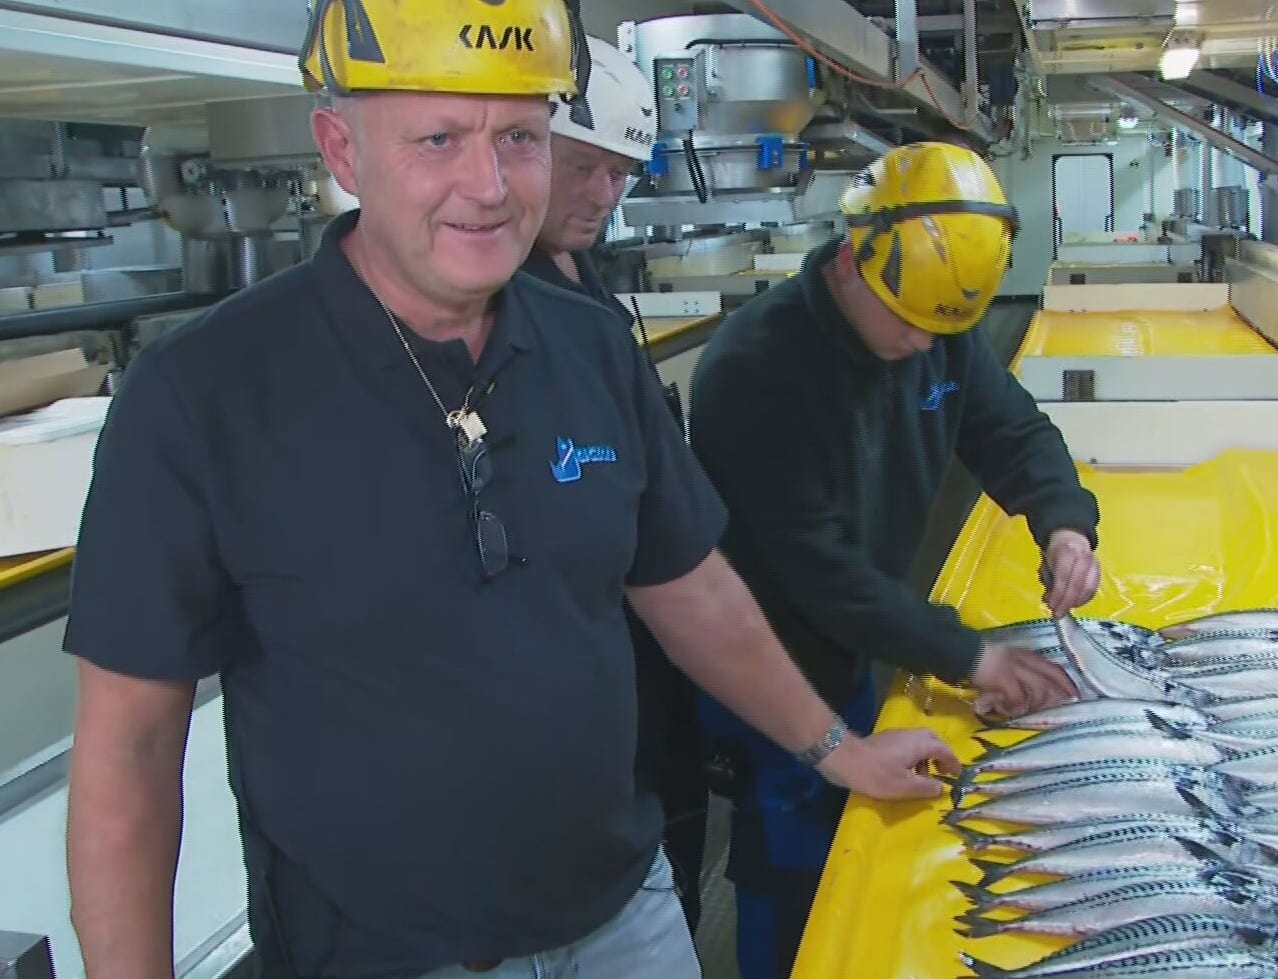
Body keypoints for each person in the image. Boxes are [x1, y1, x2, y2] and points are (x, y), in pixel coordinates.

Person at [59, 4, 959, 979]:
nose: (487, 187)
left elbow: (692, 589)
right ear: (341, 149)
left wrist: (837, 748)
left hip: (627, 920)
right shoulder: (201, 395)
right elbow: (129, 751)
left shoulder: (590, 344)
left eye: (520, 138)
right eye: (438, 139)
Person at [686, 141, 1104, 979]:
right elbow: (817, 567)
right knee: (791, 861)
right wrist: (971, 655)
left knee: (857, 849)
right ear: (852, 258)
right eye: (906, 320)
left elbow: (1010, 431)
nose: (921, 343)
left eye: (940, 328)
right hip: (771, 658)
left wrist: (1064, 524)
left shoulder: (935, 331)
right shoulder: (755, 369)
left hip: (857, 634)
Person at [512, 33, 711, 934]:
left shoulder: (586, 285)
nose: (605, 193)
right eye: (583, 167)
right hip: (579, 683)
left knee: (673, 844)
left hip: (648, 659)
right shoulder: (494, 307)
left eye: (622, 172)